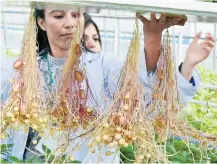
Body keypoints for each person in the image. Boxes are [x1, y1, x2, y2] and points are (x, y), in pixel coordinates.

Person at [3, 5, 215, 163]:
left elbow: (145, 100)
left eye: (76, 15)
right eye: (58, 16)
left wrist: (152, 37)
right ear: (41, 22)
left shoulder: (103, 63)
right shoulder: (23, 68)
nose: (69, 23)